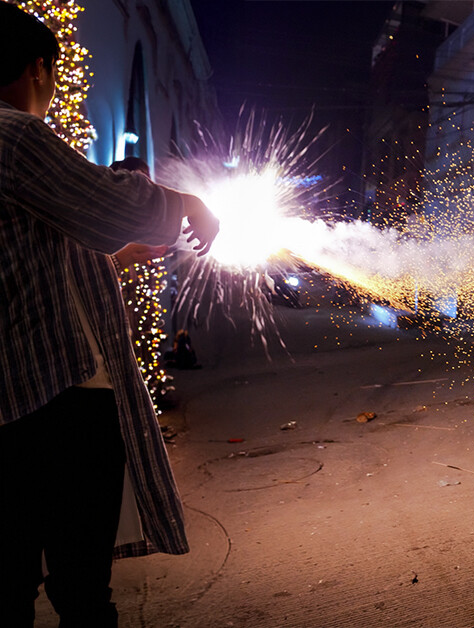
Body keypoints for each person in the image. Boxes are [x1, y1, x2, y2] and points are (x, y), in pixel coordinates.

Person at [0, 5, 219, 626]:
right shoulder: (14, 135)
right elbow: (109, 201)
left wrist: (118, 257)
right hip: (54, 398)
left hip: (15, 402)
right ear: (39, 68)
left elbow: (26, 264)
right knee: (82, 588)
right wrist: (187, 202)